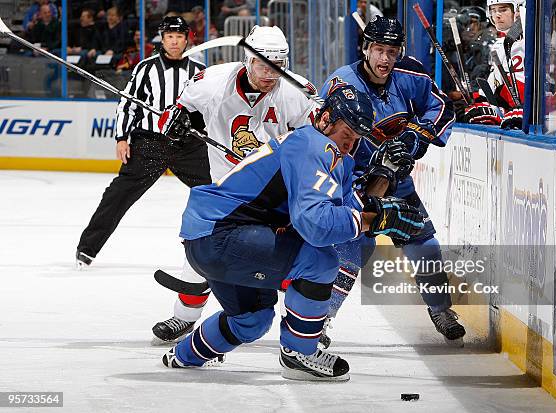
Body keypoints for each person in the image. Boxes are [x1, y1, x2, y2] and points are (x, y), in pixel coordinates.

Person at [160, 84, 425, 381]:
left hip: (211, 237)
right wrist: (375, 220)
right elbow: (316, 225)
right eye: (346, 134)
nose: (350, 144)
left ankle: (183, 356)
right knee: (319, 261)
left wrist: (383, 175)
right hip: (223, 235)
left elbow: (351, 212)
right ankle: (299, 353)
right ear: (325, 119)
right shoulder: (314, 146)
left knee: (252, 322)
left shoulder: (329, 152)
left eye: (357, 137)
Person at [151, 25, 318, 343]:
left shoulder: (296, 93)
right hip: (226, 188)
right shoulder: (213, 82)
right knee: (203, 246)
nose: (270, 74)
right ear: (247, 60)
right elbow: (172, 114)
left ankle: (303, 327)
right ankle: (184, 317)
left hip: (275, 193)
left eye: (278, 66)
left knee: (291, 258)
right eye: (262, 65)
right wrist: (176, 122)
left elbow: (313, 142)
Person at [319, 16, 466, 348]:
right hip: (352, 184)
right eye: (379, 50)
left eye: (392, 51)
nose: (385, 59)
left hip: (396, 181)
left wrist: (416, 138)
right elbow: (322, 133)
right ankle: (319, 319)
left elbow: (441, 107)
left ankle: (441, 310)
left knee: (424, 243)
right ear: (365, 48)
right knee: (352, 252)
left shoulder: (409, 75)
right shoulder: (342, 83)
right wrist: (364, 160)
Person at [76, 16, 209, 268]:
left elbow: (209, 108)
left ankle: (229, 245)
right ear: (162, 37)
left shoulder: (200, 71)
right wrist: (122, 137)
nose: (174, 41)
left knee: (217, 191)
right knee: (117, 196)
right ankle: (87, 249)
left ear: (186, 39)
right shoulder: (145, 68)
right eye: (169, 36)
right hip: (150, 144)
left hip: (188, 146)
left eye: (179, 36)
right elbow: (127, 104)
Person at [463, 0, 525, 129]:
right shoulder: (500, 45)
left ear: (518, 11)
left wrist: (527, 112)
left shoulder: (531, 43)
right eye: (493, 10)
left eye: (503, 10)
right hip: (511, 121)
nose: (497, 15)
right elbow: (493, 88)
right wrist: (480, 103)